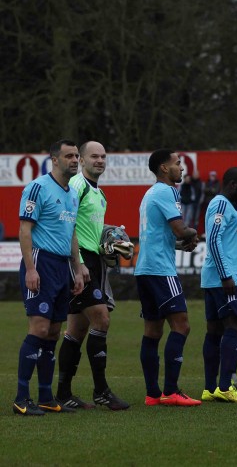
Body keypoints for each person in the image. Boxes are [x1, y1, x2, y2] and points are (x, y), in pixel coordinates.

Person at [55, 141, 130, 411]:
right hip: (81, 262)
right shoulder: (78, 185)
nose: (99, 160)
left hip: (93, 261)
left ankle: (63, 394)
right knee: (101, 318)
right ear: (83, 161)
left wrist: (109, 241)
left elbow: (89, 229)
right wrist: (79, 264)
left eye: (103, 156)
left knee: (76, 329)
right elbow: (68, 224)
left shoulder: (100, 193)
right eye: (93, 156)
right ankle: (101, 391)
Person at [14, 140, 84, 416]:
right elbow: (24, 230)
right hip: (41, 261)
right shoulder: (38, 187)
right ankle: (21, 397)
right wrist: (31, 268)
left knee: (54, 332)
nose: (75, 160)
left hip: (62, 267)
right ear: (54, 160)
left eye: (77, 156)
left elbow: (72, 235)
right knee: (40, 329)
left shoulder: (73, 194)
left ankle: (45, 396)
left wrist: (77, 270)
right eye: (69, 156)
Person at [136, 149, 201, 407]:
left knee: (152, 331)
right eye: (177, 164)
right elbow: (179, 228)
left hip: (145, 269)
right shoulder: (166, 191)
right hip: (161, 271)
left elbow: (155, 235)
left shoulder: (150, 193)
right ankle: (171, 390)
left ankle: (153, 394)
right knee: (182, 326)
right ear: (164, 168)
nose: (181, 168)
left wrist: (177, 245)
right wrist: (192, 233)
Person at [200, 167, 237, 404]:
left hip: (217, 278)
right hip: (222, 280)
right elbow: (212, 238)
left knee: (214, 330)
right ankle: (224, 386)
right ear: (232, 184)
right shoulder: (221, 204)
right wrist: (227, 276)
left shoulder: (229, 207)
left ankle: (210, 389)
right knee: (235, 326)